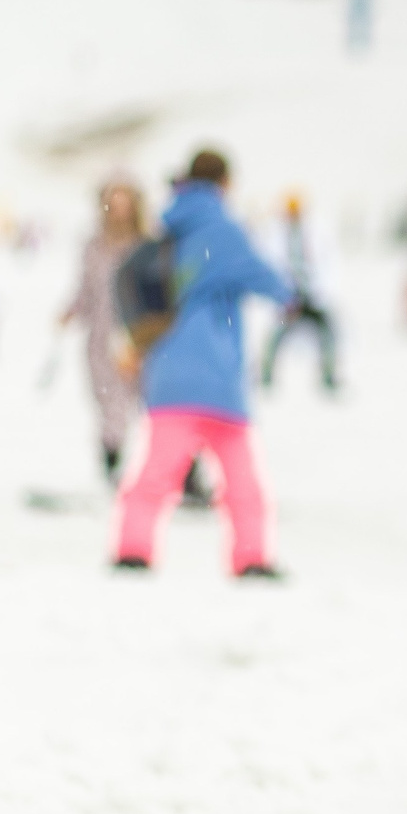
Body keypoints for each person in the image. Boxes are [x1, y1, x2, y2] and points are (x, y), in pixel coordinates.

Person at [112, 148, 294, 579]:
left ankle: (132, 550)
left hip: (168, 371)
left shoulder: (170, 226)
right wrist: (297, 300)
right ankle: (251, 558)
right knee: (242, 481)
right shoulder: (223, 229)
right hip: (216, 376)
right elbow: (268, 281)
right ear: (225, 183)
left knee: (155, 474)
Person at [61, 176, 146, 482]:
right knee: (109, 404)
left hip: (141, 336)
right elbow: (86, 290)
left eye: (126, 201)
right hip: (102, 336)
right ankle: (112, 466)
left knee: (153, 400)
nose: (120, 209)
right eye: (115, 201)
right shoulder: (94, 245)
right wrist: (71, 312)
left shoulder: (148, 243)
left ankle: (178, 469)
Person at [259, 191, 340, 394]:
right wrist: (282, 292)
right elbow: (272, 263)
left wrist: (322, 290)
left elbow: (328, 262)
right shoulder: (275, 233)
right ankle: (266, 375)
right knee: (276, 335)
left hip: (314, 294)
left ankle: (328, 375)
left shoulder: (317, 231)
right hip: (290, 296)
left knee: (327, 333)